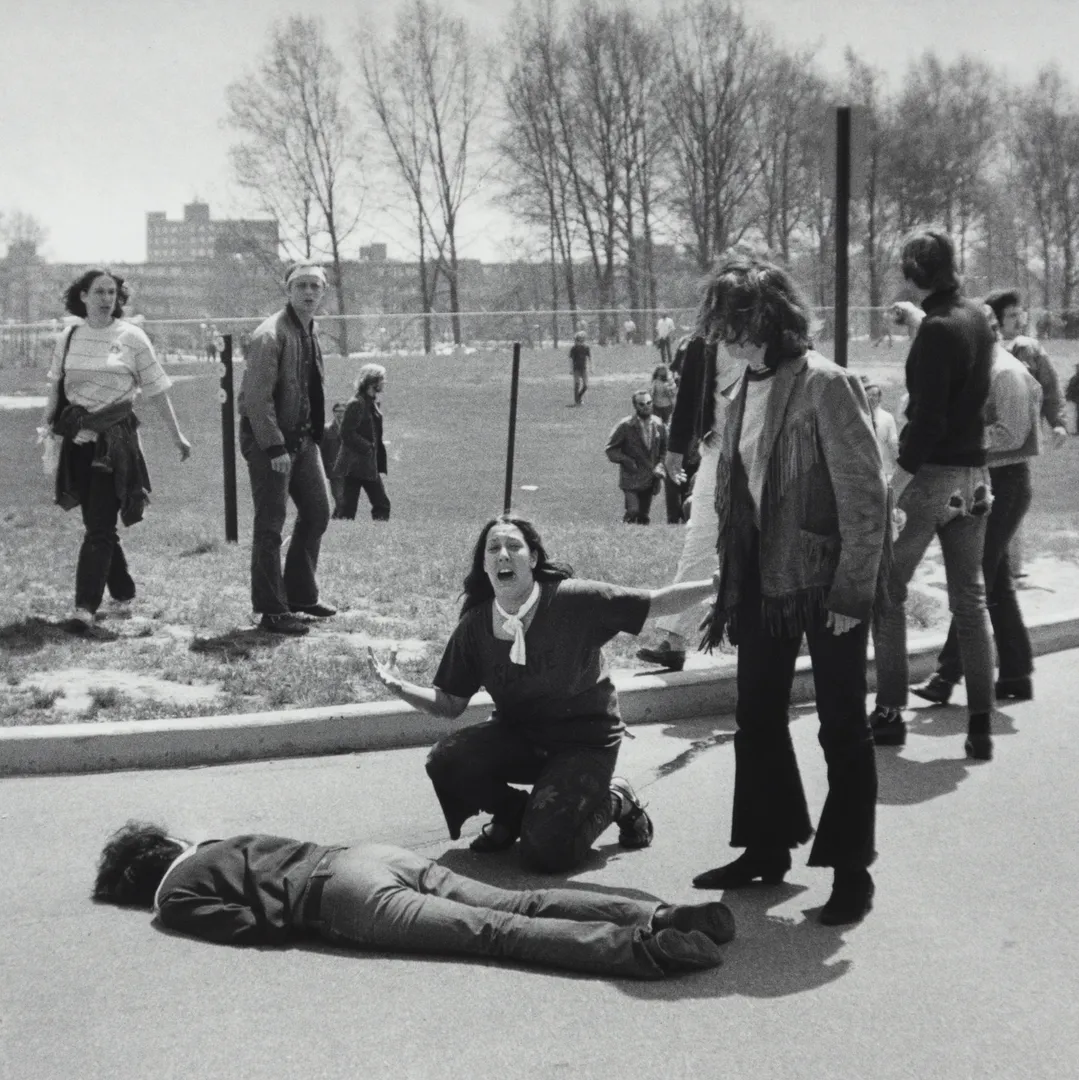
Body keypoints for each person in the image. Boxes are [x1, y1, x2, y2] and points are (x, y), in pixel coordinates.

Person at [687, 258, 889, 927]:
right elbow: (738, 494)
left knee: (841, 726)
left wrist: (851, 593)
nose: (727, 340)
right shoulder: (740, 388)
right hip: (761, 581)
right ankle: (766, 848)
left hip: (825, 582)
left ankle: (852, 871)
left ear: (771, 319)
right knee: (757, 716)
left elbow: (866, 497)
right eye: (721, 328)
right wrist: (728, 577)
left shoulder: (826, 384)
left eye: (737, 326)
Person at [367, 513, 719, 873]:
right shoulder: (475, 626)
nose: (503, 554)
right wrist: (399, 686)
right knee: (445, 760)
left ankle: (616, 799)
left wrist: (715, 585)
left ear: (533, 558)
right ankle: (513, 813)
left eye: (514, 546)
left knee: (545, 853)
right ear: (484, 565)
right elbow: (450, 703)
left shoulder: (574, 600)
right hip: (522, 739)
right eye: (493, 548)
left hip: (585, 744)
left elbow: (656, 602)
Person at [92, 821, 734, 979]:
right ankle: (660, 913)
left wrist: (287, 923)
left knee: (494, 934)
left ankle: (645, 951)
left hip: (342, 899)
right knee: (523, 902)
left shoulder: (173, 896)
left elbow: (243, 927)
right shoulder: (214, 842)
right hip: (365, 855)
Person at [870, 230, 997, 760]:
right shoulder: (976, 318)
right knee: (970, 601)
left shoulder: (939, 330)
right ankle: (980, 726)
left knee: (886, 589)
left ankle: (889, 712)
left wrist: (894, 483)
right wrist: (919, 323)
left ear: (913, 272)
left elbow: (927, 421)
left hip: (932, 479)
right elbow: (955, 355)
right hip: (976, 479)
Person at [40, 269, 191, 640]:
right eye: (99, 292)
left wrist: (177, 436)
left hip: (115, 445)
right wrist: (51, 430)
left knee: (99, 528)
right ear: (83, 296)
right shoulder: (69, 336)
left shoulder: (132, 337)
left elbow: (157, 390)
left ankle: (84, 609)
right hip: (78, 441)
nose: (107, 299)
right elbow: (57, 387)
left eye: (112, 292)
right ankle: (123, 592)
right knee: (97, 523)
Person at [911, 305, 1042, 707]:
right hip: (983, 479)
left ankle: (947, 674)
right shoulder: (977, 370)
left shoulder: (1006, 373)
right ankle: (1016, 672)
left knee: (973, 577)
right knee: (994, 578)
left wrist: (958, 435)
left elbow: (1012, 432)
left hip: (1006, 481)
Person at [635, 336, 745, 671]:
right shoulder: (705, 340)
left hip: (768, 453)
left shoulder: (777, 331)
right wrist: (675, 449)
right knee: (700, 538)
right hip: (717, 448)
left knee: (766, 542)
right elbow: (688, 395)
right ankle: (674, 638)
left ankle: (778, 633)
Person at [237, 262, 335, 636]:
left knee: (317, 512)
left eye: (315, 286)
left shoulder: (309, 330)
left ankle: (300, 595)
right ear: (288, 290)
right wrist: (275, 447)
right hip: (271, 442)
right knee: (270, 525)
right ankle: (271, 610)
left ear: (323, 291)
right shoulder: (270, 335)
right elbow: (255, 399)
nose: (309, 292)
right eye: (301, 286)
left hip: (302, 440)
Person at [334, 364, 391, 522]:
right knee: (349, 509)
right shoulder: (357, 403)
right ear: (372, 382)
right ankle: (341, 532)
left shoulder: (370, 403)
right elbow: (346, 433)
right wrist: (367, 447)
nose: (384, 382)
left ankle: (378, 532)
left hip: (366, 464)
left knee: (379, 504)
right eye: (381, 379)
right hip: (355, 464)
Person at [605, 390, 668, 525]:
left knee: (643, 516)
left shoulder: (659, 425)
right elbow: (611, 450)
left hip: (650, 478)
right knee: (633, 511)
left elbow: (665, 450)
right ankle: (623, 528)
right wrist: (626, 460)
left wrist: (660, 466)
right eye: (642, 404)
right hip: (631, 478)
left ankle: (636, 535)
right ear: (635, 406)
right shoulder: (625, 426)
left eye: (649, 403)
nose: (646, 406)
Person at [862, 377, 899, 478]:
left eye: (874, 395)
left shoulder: (887, 417)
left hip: (883, 470)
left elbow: (893, 443)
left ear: (879, 398)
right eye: (868, 395)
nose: (871, 398)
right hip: (862, 469)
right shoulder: (857, 417)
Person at [321, 402, 347, 519]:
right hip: (334, 469)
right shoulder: (326, 429)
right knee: (339, 497)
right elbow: (321, 450)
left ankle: (336, 519)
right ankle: (341, 519)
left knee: (346, 498)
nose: (340, 414)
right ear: (333, 413)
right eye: (338, 411)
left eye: (343, 411)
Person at [569, 330, 591, 406]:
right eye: (578, 340)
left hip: (584, 368)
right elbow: (571, 359)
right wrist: (571, 369)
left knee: (585, 386)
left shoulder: (586, 348)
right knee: (577, 384)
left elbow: (589, 358)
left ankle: (578, 397)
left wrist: (591, 367)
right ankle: (577, 401)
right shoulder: (574, 348)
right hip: (576, 369)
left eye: (582, 340)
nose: (580, 342)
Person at [1066, 362, 1079, 433]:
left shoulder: (1074, 378)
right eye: (1077, 368)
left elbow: (1070, 388)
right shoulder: (1074, 378)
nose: (1077, 369)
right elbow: (1070, 388)